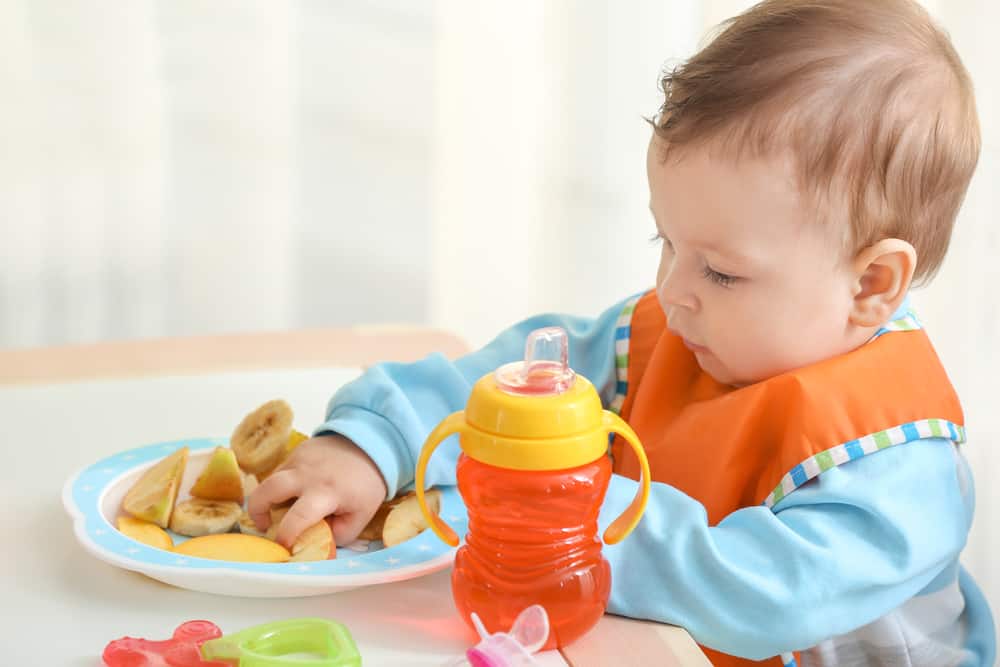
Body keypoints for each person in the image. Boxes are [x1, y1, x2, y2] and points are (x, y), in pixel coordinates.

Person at [248, 1, 995, 664]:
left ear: (870, 285)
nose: (673, 291)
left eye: (722, 272)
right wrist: (376, 443)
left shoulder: (904, 467)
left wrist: (563, 510)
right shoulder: (673, 328)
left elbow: (764, 593)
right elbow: (515, 377)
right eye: (665, 243)